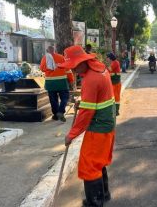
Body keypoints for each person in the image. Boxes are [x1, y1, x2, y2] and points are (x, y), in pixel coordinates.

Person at [60, 45, 116, 207]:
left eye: (75, 66)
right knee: (98, 161)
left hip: (98, 126)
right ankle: (103, 195)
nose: (74, 71)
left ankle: (95, 203)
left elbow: (86, 114)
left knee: (89, 165)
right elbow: (96, 99)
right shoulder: (101, 69)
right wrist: (83, 102)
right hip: (107, 123)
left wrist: (71, 134)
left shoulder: (91, 79)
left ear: (83, 61)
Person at [40, 46, 74, 122]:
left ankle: (55, 115)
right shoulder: (61, 57)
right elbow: (68, 69)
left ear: (47, 51)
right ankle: (61, 112)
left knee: (53, 100)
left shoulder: (45, 58)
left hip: (50, 83)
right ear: (54, 50)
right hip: (62, 82)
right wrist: (71, 80)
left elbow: (42, 68)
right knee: (65, 97)